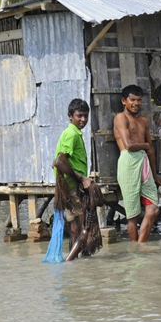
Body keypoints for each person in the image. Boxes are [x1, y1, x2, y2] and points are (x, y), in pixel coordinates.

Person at [53, 99, 103, 260]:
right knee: (81, 228)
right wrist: (82, 178)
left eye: (85, 116)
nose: (83, 119)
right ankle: (70, 262)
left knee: (76, 228)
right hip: (71, 186)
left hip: (72, 186)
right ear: (70, 116)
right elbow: (59, 161)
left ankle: (75, 264)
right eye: (79, 116)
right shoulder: (72, 134)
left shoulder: (74, 133)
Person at [114, 85, 161, 242]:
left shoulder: (143, 120)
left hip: (144, 162)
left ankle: (140, 245)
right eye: (132, 100)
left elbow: (151, 150)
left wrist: (155, 175)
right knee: (132, 215)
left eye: (139, 100)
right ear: (124, 101)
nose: (136, 103)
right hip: (128, 162)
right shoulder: (120, 118)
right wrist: (146, 146)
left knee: (153, 209)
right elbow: (128, 145)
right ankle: (136, 248)